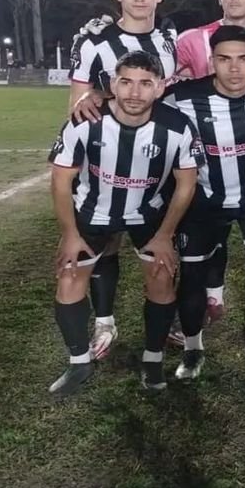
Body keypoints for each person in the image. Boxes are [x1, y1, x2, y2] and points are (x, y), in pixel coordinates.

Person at [47, 51, 198, 397]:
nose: (134, 92)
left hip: (149, 213)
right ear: (113, 84)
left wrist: (165, 235)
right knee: (69, 276)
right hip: (94, 210)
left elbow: (186, 184)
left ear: (160, 88)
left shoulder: (177, 126)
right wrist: (69, 234)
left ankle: (153, 360)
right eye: (126, 82)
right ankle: (79, 363)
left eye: (145, 83)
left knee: (161, 276)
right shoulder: (85, 119)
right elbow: (60, 179)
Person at [161, 25, 245, 378]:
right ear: (211, 62)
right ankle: (192, 349)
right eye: (224, 59)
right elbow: (136, 98)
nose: (234, 68)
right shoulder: (183, 96)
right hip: (204, 202)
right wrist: (96, 97)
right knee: (192, 275)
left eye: (243, 59)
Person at [66, 0, 179, 362]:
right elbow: (77, 104)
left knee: (163, 243)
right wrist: (98, 96)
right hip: (109, 158)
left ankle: (167, 317)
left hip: (160, 161)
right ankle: (105, 321)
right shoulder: (94, 42)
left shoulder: (169, 36)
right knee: (107, 239)